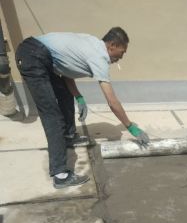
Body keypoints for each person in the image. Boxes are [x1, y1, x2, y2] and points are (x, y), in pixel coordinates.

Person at [15, 27, 149, 189]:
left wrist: (78, 97)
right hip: (33, 57)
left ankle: (69, 136)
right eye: (122, 52)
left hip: (40, 55)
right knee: (52, 115)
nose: (121, 57)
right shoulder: (99, 57)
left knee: (65, 94)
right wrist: (131, 127)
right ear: (112, 45)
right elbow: (112, 102)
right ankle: (60, 175)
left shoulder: (93, 43)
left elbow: (66, 71)